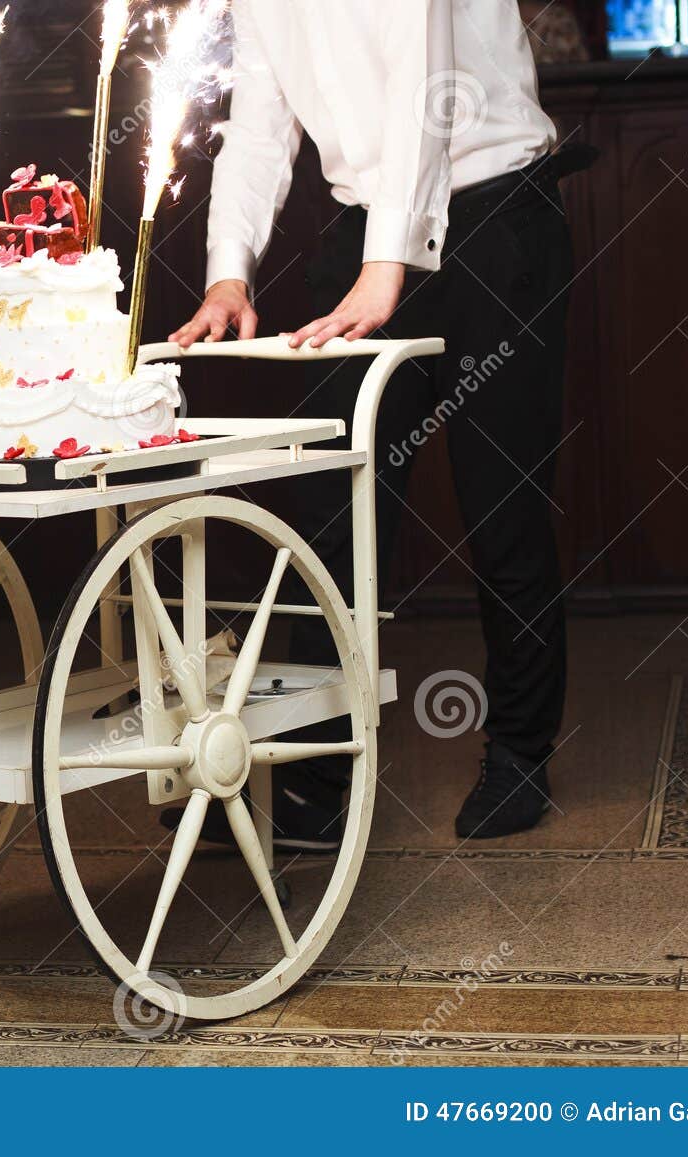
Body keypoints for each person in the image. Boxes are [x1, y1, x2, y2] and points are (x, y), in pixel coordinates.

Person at [167, 1, 574, 844]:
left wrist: (390, 264)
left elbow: (424, 90)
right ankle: (317, 777)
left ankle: (520, 751)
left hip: (495, 211)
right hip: (364, 229)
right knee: (331, 512)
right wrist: (227, 273)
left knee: (503, 501)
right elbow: (257, 126)